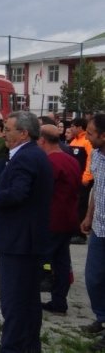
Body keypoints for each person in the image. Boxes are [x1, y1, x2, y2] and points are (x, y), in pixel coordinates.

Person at [0, 111, 53, 353]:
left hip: (19, 242)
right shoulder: (33, 154)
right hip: (27, 240)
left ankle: (12, 348)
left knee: (14, 302)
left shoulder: (26, 157)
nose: (4, 133)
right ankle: (30, 346)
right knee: (29, 301)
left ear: (23, 133)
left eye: (8, 129)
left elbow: (17, 193)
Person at [37, 124, 80, 315]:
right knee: (62, 262)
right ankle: (59, 302)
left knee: (40, 260)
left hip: (52, 220)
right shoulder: (70, 160)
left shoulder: (50, 163)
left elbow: (41, 192)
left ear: (42, 140)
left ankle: (29, 301)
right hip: (69, 218)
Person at [80, 114, 105, 348]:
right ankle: (102, 317)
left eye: (90, 133)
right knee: (93, 278)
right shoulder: (96, 155)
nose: (86, 137)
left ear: (103, 135)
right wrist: (88, 216)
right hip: (99, 227)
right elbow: (97, 188)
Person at [71, 117, 95, 245]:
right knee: (75, 203)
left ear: (80, 127)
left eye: (73, 126)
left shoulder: (86, 141)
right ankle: (74, 230)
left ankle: (80, 234)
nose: (71, 128)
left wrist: (86, 177)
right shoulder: (74, 140)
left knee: (81, 204)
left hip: (84, 179)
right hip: (76, 179)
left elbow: (90, 160)